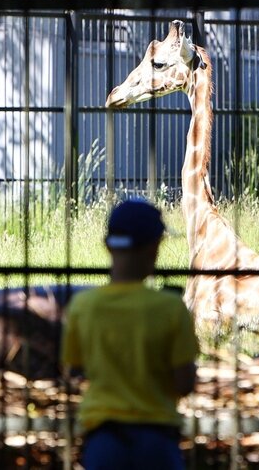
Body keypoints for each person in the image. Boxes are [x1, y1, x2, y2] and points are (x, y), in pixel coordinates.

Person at [61, 199, 199, 470]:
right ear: (154, 248)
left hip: (104, 440)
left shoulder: (83, 306)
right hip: (157, 441)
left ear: (107, 245)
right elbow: (184, 383)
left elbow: (72, 368)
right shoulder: (171, 308)